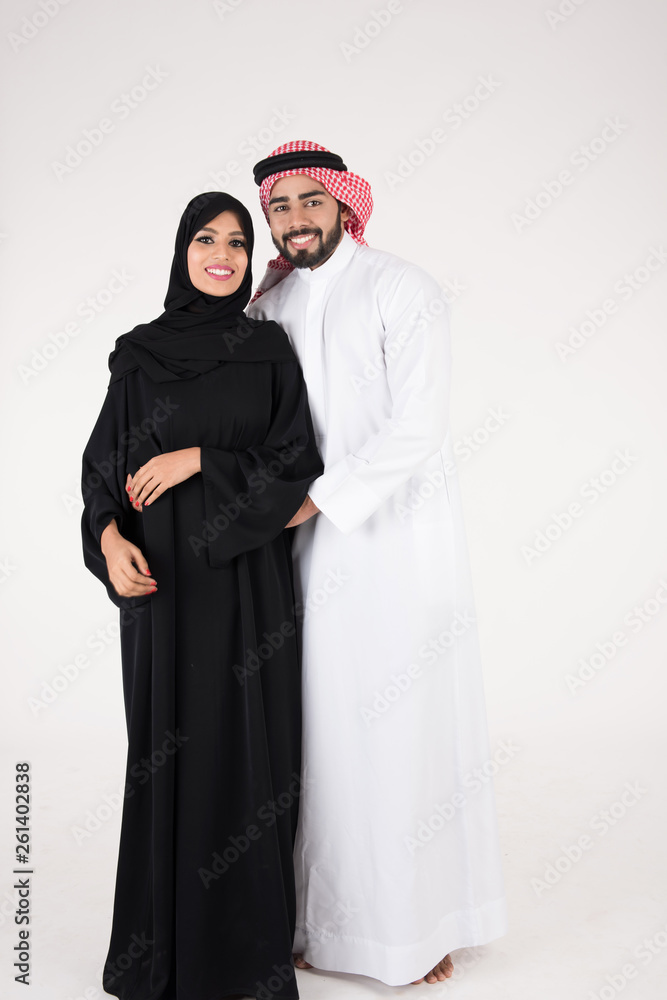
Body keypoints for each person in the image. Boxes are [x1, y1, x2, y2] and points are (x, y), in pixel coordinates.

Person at [247, 141, 508, 987]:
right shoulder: (272, 304)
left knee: (398, 733)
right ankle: (315, 923)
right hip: (298, 549)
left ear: (342, 203)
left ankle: (413, 925)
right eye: (278, 207)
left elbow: (417, 425)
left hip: (396, 544)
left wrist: (317, 499)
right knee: (315, 737)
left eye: (306, 202)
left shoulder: (400, 286)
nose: (293, 219)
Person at [81, 190, 324, 1000]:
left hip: (248, 586)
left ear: (251, 259)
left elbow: (296, 468)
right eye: (205, 238)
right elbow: (100, 473)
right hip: (162, 590)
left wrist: (199, 461)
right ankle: (159, 953)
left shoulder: (270, 351)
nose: (222, 254)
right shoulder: (138, 354)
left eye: (236, 241)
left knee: (247, 757)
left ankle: (243, 959)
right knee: (165, 754)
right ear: (182, 249)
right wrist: (109, 541)